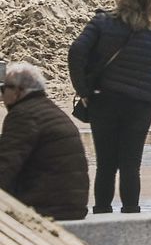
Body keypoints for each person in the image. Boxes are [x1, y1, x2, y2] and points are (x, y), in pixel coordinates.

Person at [67, 0, 151, 215]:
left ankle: (102, 214)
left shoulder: (101, 23)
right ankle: (131, 215)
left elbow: (76, 52)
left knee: (105, 165)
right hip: (140, 106)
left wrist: (83, 90)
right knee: (131, 165)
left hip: (104, 101)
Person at [0, 62, 88, 221]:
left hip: (45, 207)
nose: (2, 95)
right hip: (73, 205)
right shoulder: (51, 110)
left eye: (3, 89)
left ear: (18, 91)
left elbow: (5, 165)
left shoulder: (22, 115)